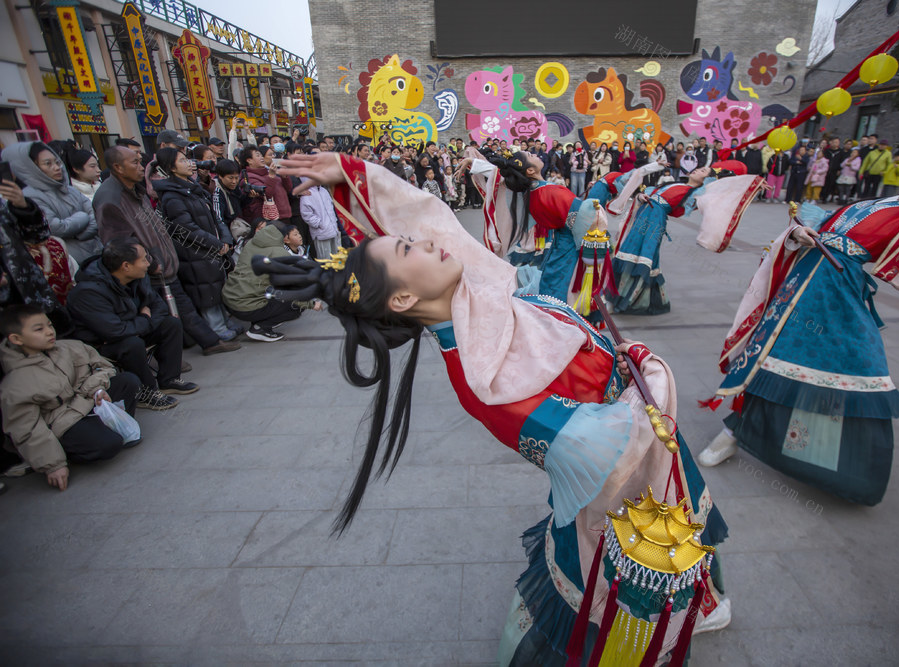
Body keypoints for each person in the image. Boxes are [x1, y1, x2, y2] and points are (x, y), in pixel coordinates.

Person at [266, 151, 729, 663]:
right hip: (620, 498)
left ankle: (705, 602)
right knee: (624, 617)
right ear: (400, 301)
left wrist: (357, 175)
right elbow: (610, 452)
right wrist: (651, 374)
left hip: (636, 443)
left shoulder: (469, 297)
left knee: (691, 524)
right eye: (408, 248)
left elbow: (429, 218)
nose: (429, 241)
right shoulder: (481, 376)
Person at [698, 159, 899, 508]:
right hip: (801, 279)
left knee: (836, 370)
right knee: (765, 353)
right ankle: (733, 431)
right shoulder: (877, 201)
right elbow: (820, 225)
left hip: (835, 296)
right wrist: (799, 232)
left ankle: (836, 462)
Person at [93, 147, 238, 357]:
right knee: (163, 316)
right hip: (144, 268)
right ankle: (172, 362)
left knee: (183, 307)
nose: (141, 167)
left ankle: (209, 342)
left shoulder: (136, 189)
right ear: (117, 167)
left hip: (163, 262)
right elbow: (119, 243)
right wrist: (150, 262)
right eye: (135, 162)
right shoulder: (111, 198)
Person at [0, 304, 141, 491]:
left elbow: (103, 366)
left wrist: (97, 389)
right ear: (16, 338)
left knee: (128, 381)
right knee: (109, 445)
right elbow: (28, 428)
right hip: (63, 422)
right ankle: (74, 449)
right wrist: (53, 465)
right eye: (39, 329)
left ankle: (101, 430)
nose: (50, 332)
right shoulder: (16, 383)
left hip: (88, 401)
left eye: (49, 325)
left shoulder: (69, 347)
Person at [461, 150, 606, 312]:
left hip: (559, 249)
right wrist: (599, 194)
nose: (536, 155)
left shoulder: (532, 191)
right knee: (564, 302)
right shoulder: (549, 192)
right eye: (531, 155)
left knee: (553, 294)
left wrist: (475, 164)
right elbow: (585, 217)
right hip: (570, 252)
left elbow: (502, 175)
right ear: (530, 171)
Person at [67, 239, 198, 410]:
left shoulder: (137, 277)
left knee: (170, 324)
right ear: (126, 266)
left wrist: (142, 322)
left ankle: (169, 379)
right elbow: (115, 331)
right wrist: (143, 319)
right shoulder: (88, 292)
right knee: (131, 343)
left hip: (133, 328)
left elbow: (159, 307)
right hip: (101, 344)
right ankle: (146, 392)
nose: (148, 263)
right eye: (144, 259)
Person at [152, 148, 239, 342]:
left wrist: (224, 239)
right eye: (182, 161)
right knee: (205, 290)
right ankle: (215, 327)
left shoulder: (192, 187)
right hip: (195, 251)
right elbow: (187, 228)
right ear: (171, 168)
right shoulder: (172, 195)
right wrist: (215, 243)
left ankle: (225, 321)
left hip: (212, 247)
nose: (189, 163)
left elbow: (216, 218)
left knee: (217, 286)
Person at [609, 165, 713, 314]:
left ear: (705, 180)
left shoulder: (695, 195)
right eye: (699, 168)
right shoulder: (677, 183)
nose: (697, 170)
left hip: (655, 219)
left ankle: (627, 300)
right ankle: (617, 297)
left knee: (644, 255)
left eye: (703, 171)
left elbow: (708, 201)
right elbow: (650, 194)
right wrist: (640, 197)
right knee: (630, 248)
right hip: (645, 212)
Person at [2, 142, 103, 264]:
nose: (56, 167)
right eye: (48, 164)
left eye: (57, 162)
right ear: (30, 167)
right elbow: (57, 228)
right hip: (69, 261)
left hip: (96, 251)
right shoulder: (28, 198)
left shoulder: (68, 189)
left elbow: (95, 215)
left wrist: (81, 234)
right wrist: (83, 216)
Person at [222, 222, 322, 342]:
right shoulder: (279, 254)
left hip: (229, 299)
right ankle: (260, 328)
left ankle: (260, 320)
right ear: (285, 238)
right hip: (245, 305)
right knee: (296, 306)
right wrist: (311, 304)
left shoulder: (250, 244)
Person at [0, 179, 74, 333]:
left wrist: (22, 206)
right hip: (5, 300)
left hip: (28, 287)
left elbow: (39, 237)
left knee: (53, 340)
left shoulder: (2, 206)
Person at [242, 145, 293, 223]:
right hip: (270, 219)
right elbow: (266, 194)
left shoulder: (268, 173)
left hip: (285, 216)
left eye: (261, 155)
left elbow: (288, 189)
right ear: (249, 160)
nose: (262, 158)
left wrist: (284, 176)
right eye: (258, 155)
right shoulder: (249, 177)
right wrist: (271, 176)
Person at [299, 182, 342, 259]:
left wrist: (335, 223)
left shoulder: (324, 191)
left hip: (333, 230)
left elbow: (331, 209)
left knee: (337, 258)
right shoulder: (307, 193)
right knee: (325, 260)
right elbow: (306, 214)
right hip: (321, 233)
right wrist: (320, 224)